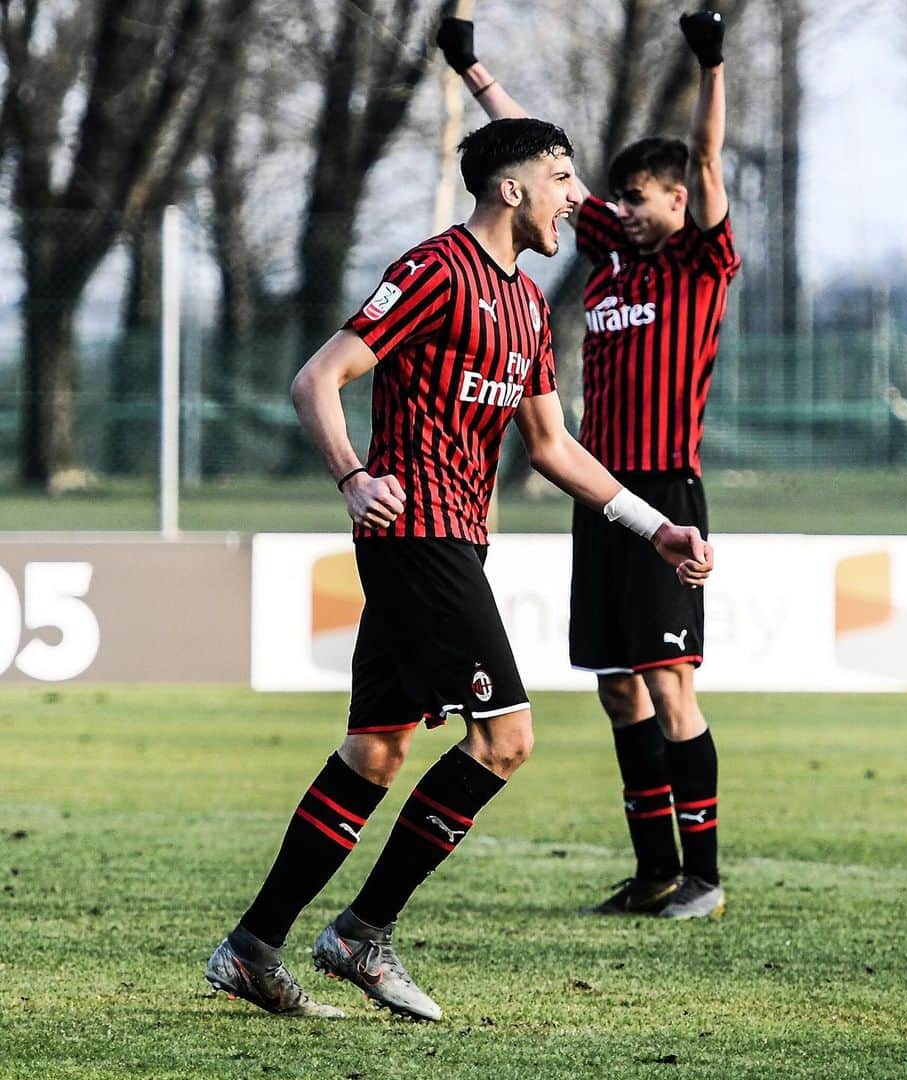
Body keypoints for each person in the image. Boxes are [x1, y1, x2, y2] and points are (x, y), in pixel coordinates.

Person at [204, 117, 714, 1022]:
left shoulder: (523, 303)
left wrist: (655, 527)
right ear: (511, 188)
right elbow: (317, 378)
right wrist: (354, 479)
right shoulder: (435, 269)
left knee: (377, 750)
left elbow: (555, 446)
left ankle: (253, 946)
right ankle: (363, 933)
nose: (574, 195)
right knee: (506, 737)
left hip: (457, 537)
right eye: (561, 176)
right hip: (416, 539)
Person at [437, 11, 739, 920]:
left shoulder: (699, 263)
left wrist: (711, 62)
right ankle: (652, 871)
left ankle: (706, 876)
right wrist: (474, 71)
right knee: (618, 689)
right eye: (624, 197)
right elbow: (535, 163)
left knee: (671, 684)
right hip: (600, 497)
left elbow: (712, 158)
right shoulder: (609, 256)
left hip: (665, 492)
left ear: (679, 203)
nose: (623, 207)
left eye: (644, 195)